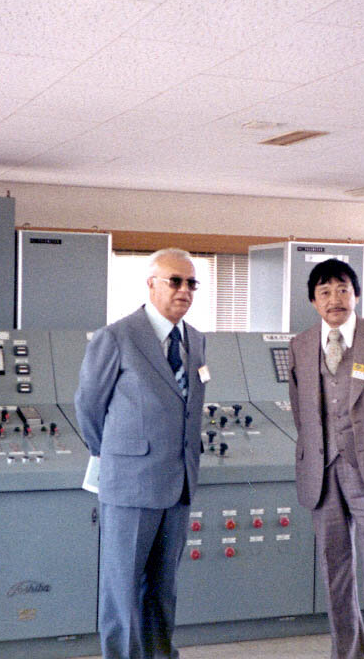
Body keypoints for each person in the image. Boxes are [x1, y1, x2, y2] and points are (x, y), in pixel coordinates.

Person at [75, 248, 208, 659]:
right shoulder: (116, 337)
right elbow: (89, 407)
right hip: (131, 483)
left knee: (161, 589)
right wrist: (117, 455)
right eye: (175, 281)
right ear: (151, 283)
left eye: (191, 283)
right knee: (122, 590)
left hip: (179, 482)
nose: (184, 290)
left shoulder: (195, 340)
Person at [287, 258, 364, 659]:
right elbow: (301, 412)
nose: (334, 298)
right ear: (313, 301)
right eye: (324, 291)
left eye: (342, 289)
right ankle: (348, 654)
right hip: (322, 475)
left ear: (356, 295)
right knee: (335, 575)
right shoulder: (300, 346)